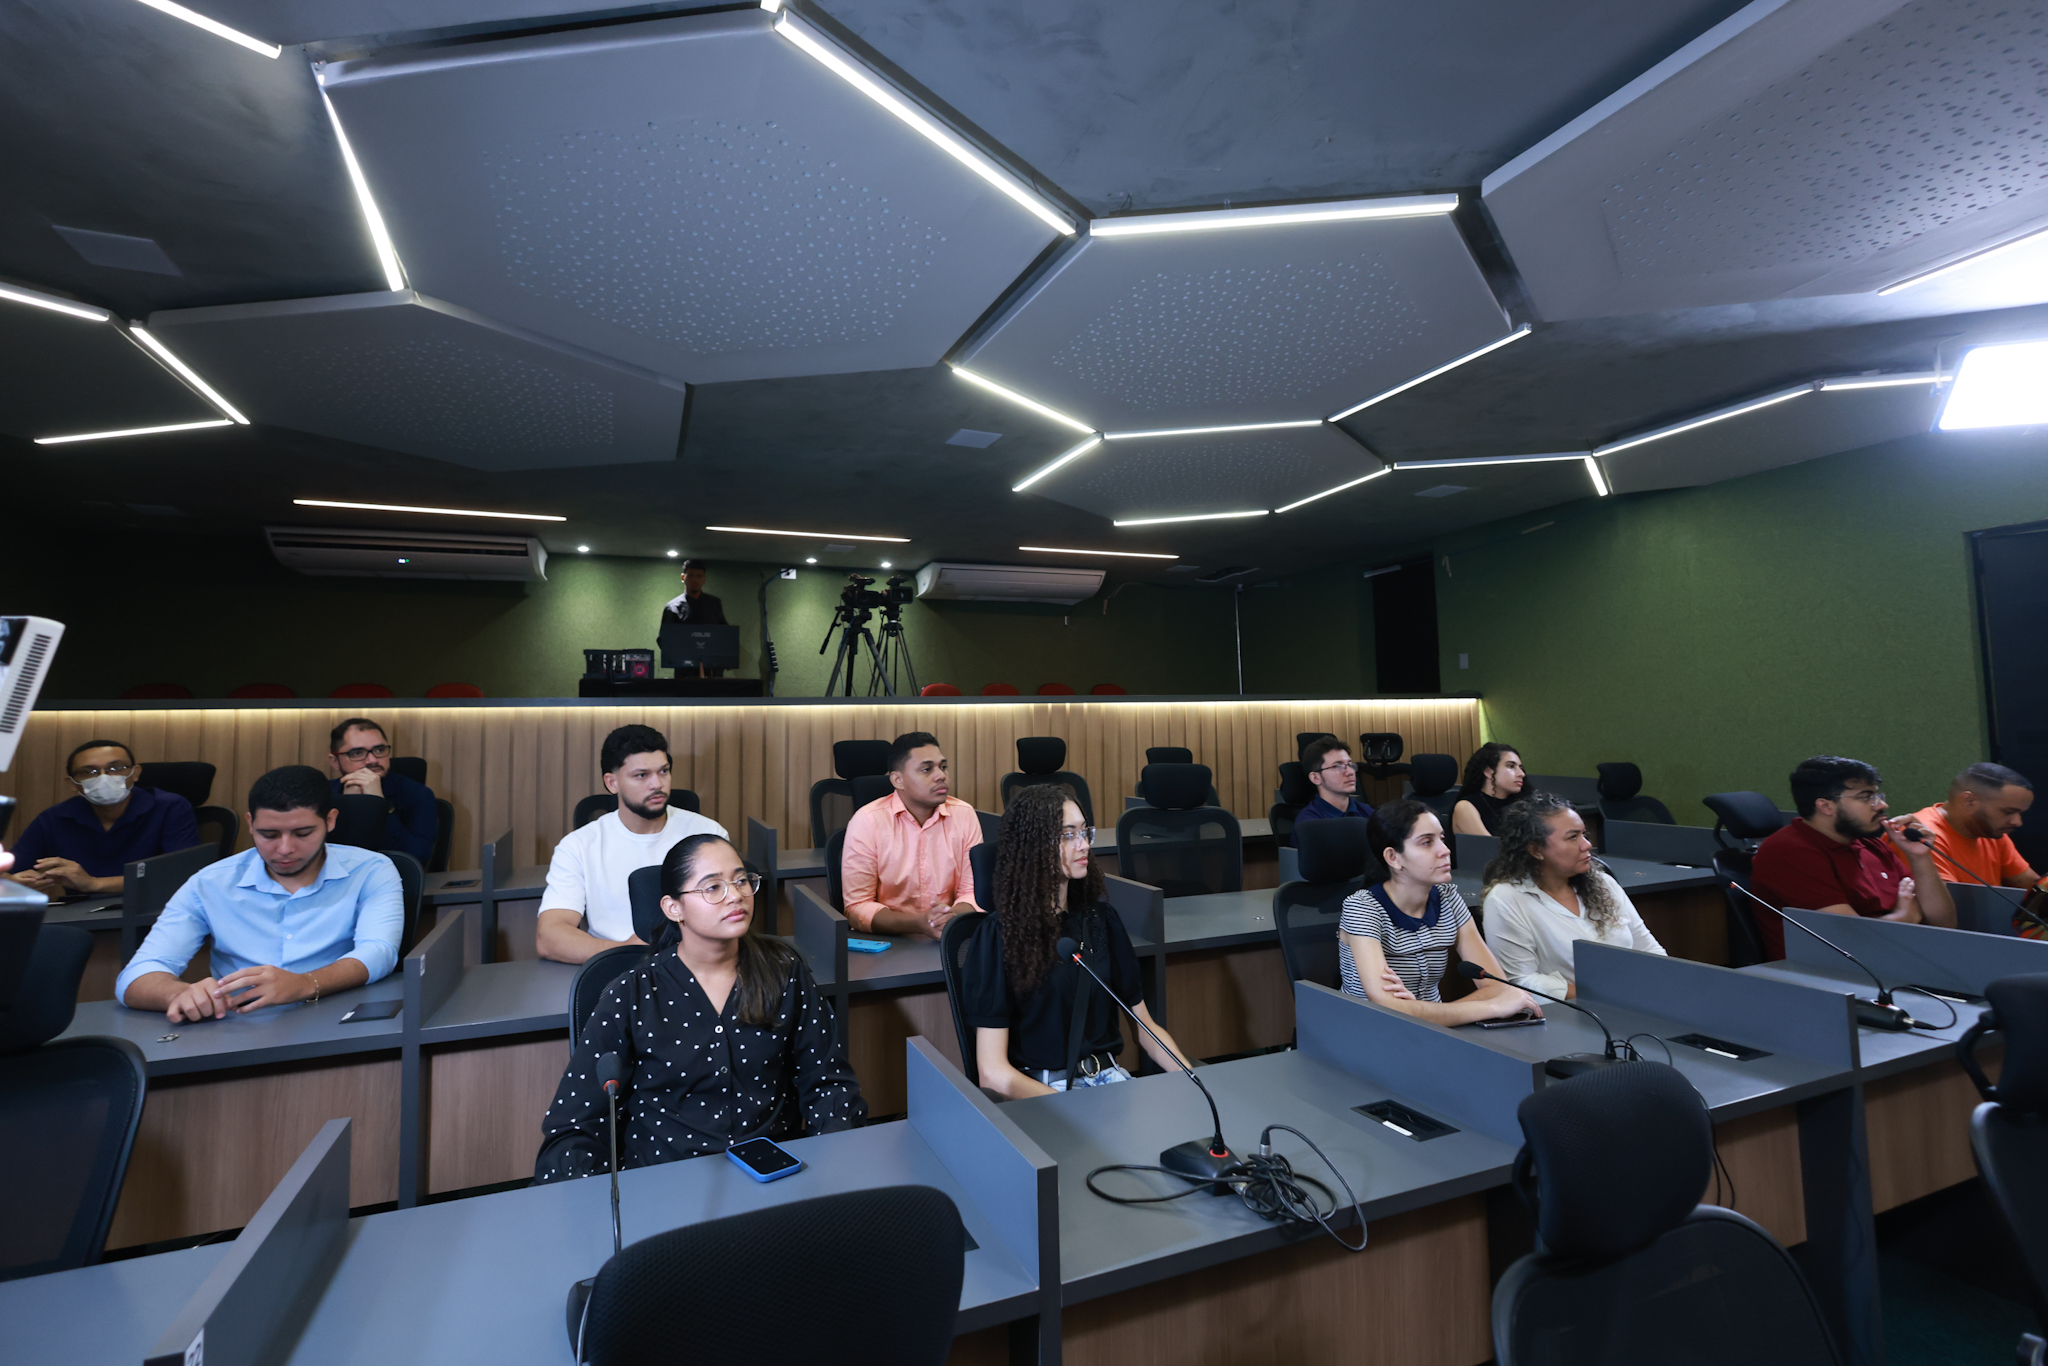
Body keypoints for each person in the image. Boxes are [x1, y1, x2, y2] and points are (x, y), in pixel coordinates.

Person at [534, 833, 864, 1180]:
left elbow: (830, 1084)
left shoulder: (784, 971)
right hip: (665, 1185)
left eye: (741, 881)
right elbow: (574, 1126)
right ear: (673, 907)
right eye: (713, 887)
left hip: (774, 1176)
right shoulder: (632, 994)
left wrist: (832, 1168)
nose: (735, 895)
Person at [115, 765, 403, 1022]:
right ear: (250, 823)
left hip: (336, 1012)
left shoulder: (371, 870)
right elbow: (136, 975)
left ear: (330, 820)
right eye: (269, 834)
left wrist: (305, 983)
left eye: (303, 833)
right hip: (240, 1024)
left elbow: (379, 952)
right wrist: (180, 994)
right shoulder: (210, 883)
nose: (285, 849)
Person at [962, 786, 1196, 1098]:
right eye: (1068, 835)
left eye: (1085, 832)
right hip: (1043, 1094)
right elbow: (993, 1074)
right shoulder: (998, 936)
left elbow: (1146, 1028)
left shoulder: (1101, 921)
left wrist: (1194, 1082)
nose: (1083, 845)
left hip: (1109, 1082)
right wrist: (1071, 1110)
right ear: (1035, 846)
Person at [537, 725, 728, 964]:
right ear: (612, 783)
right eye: (642, 775)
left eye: (663, 772)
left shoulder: (709, 833)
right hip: (615, 966)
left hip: (697, 964)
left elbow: (728, 914)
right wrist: (624, 952)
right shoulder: (578, 846)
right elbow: (550, 935)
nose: (657, 784)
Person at [1339, 799, 1539, 1024]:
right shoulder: (1362, 907)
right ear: (1393, 857)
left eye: (1441, 839)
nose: (1445, 851)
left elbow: (1497, 986)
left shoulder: (1448, 897)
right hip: (1370, 1031)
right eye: (1426, 842)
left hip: (1434, 1033)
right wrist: (1492, 1007)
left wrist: (1419, 1011)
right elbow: (1388, 1008)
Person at [1751, 755, 1955, 959]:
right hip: (1831, 975)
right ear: (1826, 806)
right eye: (1866, 797)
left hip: (1899, 958)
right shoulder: (1789, 850)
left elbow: (1944, 923)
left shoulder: (1869, 842)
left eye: (1878, 795)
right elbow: (1850, 942)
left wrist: (1920, 857)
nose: (1881, 805)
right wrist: (1902, 918)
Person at [1481, 793, 1665, 999]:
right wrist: (1605, 996)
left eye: (1584, 835)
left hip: (1632, 1002)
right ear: (1536, 850)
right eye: (1573, 837)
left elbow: (1649, 950)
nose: (1586, 844)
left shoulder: (1604, 883)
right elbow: (1522, 982)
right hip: (1568, 1016)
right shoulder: (1506, 899)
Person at [7, 739, 200, 897]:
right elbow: (8, 872)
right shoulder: (54, 818)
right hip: (81, 915)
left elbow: (181, 876)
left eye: (116, 768)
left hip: (152, 908)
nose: (104, 778)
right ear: (74, 784)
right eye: (89, 772)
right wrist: (16, 882)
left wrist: (93, 884)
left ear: (135, 774)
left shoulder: (170, 807)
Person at [840, 731, 982, 940]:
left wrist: (950, 917)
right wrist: (919, 923)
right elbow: (857, 907)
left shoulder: (964, 814)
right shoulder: (868, 821)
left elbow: (973, 891)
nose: (941, 775)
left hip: (949, 937)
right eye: (926, 769)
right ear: (898, 780)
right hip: (890, 942)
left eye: (943, 767)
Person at [326, 718, 437, 864]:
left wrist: (378, 804)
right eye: (358, 753)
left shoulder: (418, 794)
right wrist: (350, 805)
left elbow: (416, 858)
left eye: (379, 750)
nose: (372, 760)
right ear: (334, 761)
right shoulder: (321, 795)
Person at [661, 557, 727, 678]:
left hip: (712, 670)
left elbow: (724, 634)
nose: (695, 580)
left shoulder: (714, 604)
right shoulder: (673, 608)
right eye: (691, 576)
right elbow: (664, 640)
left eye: (699, 576)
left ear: (704, 579)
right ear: (683, 577)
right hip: (685, 671)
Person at [1293, 734, 1375, 830]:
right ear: (1316, 778)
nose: (1350, 772)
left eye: (1349, 764)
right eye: (1337, 766)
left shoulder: (1368, 812)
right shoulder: (1309, 823)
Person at [1451, 742, 1526, 836]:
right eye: (1511, 766)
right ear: (1488, 772)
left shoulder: (1521, 805)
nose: (1521, 774)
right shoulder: (1465, 807)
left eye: (1520, 767)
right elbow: (1490, 848)